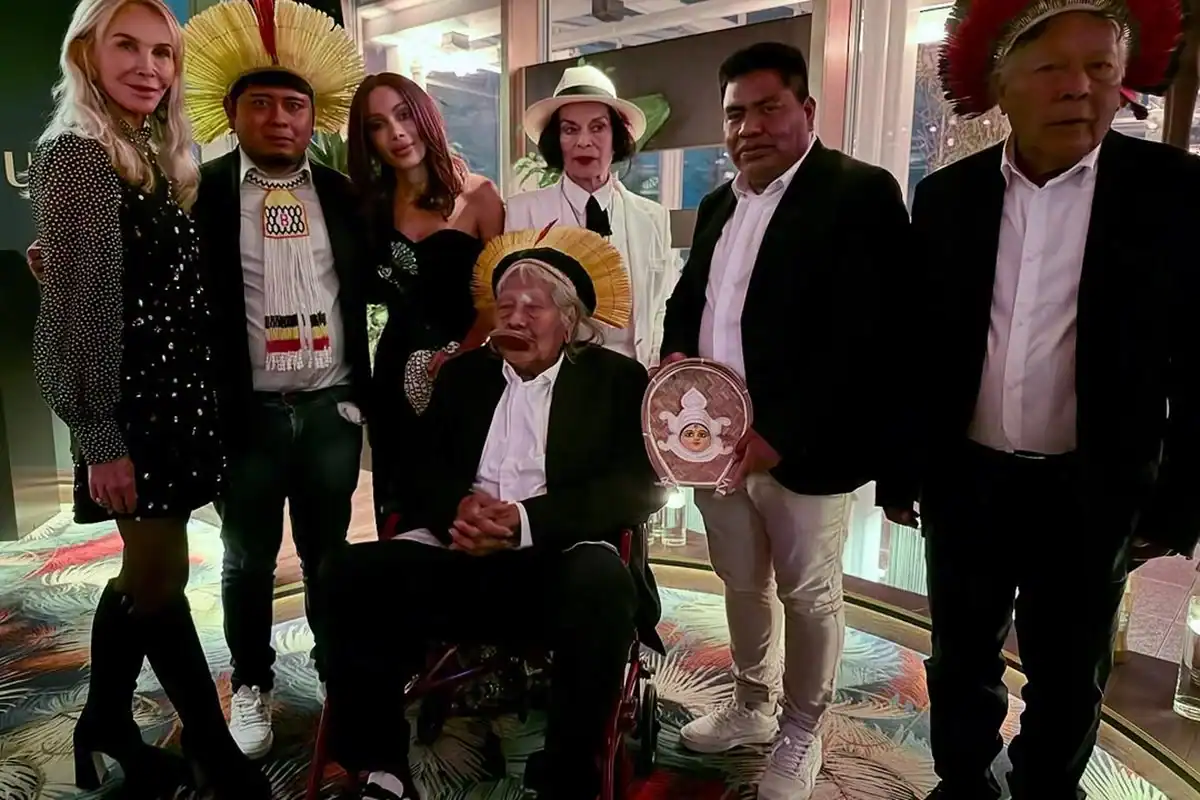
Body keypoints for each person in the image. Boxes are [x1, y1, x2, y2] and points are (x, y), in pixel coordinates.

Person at [876, 3, 1196, 798]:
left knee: (1070, 668)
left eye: (1100, 68)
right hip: (967, 477)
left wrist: (1179, 499)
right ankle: (961, 783)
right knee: (960, 656)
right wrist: (902, 467)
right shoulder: (947, 197)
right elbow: (917, 347)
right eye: (1052, 67)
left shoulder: (1174, 193)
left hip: (1092, 486)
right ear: (1002, 85)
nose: (1078, 88)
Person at [318, 226, 665, 800]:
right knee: (345, 575)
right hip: (458, 556)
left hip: (555, 563)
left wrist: (524, 522)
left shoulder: (615, 379)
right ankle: (380, 767)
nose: (516, 319)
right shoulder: (464, 376)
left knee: (603, 581)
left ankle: (567, 776)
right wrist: (459, 509)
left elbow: (635, 489)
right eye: (506, 307)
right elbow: (416, 471)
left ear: (569, 320)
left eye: (534, 308)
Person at [27, 0, 269, 796]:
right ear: (86, 55)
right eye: (126, 46)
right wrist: (99, 435)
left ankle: (107, 721)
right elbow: (78, 317)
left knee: (147, 577)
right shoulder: (77, 155)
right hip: (131, 409)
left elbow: (136, 279)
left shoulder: (145, 152)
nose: (147, 66)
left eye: (162, 52)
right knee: (159, 580)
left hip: (174, 400)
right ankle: (212, 748)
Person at [659, 42, 910, 799]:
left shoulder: (858, 192)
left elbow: (864, 338)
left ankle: (802, 727)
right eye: (736, 113)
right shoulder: (719, 203)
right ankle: (751, 704)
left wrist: (780, 435)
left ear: (807, 109)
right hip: (715, 445)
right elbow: (691, 300)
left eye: (769, 108)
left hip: (806, 449)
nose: (750, 128)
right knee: (740, 581)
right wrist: (675, 365)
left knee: (808, 593)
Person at [182, 0, 370, 759]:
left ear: (314, 117)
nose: (280, 119)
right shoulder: (200, 192)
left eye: (294, 106)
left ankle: (336, 672)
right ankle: (252, 683)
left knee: (330, 555)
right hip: (247, 412)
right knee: (247, 559)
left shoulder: (344, 195)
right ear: (233, 114)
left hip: (330, 408)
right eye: (261, 104)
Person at [345, 71, 504, 531]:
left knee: (464, 506)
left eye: (404, 115)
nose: (396, 133)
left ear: (425, 116)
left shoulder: (479, 196)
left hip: (468, 373)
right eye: (377, 125)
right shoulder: (369, 207)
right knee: (399, 506)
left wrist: (461, 355)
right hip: (392, 377)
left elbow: (497, 298)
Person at [507, 64, 680, 368]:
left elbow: (664, 303)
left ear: (616, 137)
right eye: (570, 130)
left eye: (598, 128)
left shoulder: (653, 217)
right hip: (554, 378)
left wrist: (657, 363)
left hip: (634, 375)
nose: (584, 141)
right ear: (556, 140)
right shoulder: (524, 212)